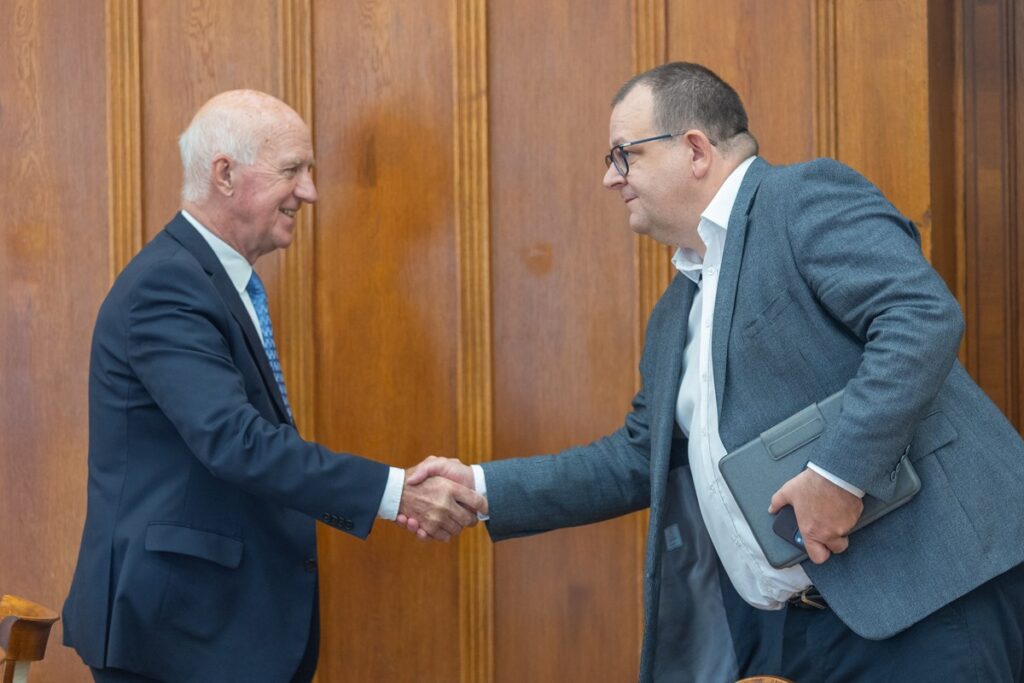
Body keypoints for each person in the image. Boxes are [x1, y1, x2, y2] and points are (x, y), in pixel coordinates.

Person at [403, 63, 1024, 682]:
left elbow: (918, 315)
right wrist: (480, 488)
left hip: (927, 602)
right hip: (798, 632)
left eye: (623, 155)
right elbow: (635, 457)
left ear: (695, 149)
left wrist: (839, 474)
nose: (608, 177)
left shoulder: (800, 197)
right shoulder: (676, 309)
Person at [63, 90, 487, 683]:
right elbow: (237, 442)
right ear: (225, 174)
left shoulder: (209, 278)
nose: (310, 192)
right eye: (293, 169)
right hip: (175, 635)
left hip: (212, 630)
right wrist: (396, 494)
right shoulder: (168, 287)